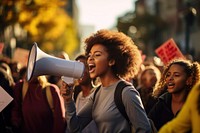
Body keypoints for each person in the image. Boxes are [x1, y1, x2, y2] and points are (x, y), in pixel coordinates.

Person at [61, 29, 151, 133]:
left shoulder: (126, 92)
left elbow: (145, 129)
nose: (90, 59)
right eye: (89, 55)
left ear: (112, 61)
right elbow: (75, 128)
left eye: (97, 55)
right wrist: (68, 100)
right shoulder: (96, 93)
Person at [148, 59, 200, 131]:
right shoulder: (161, 102)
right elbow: (148, 126)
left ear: (189, 80)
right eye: (168, 75)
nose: (170, 78)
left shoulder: (195, 102)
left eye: (176, 75)